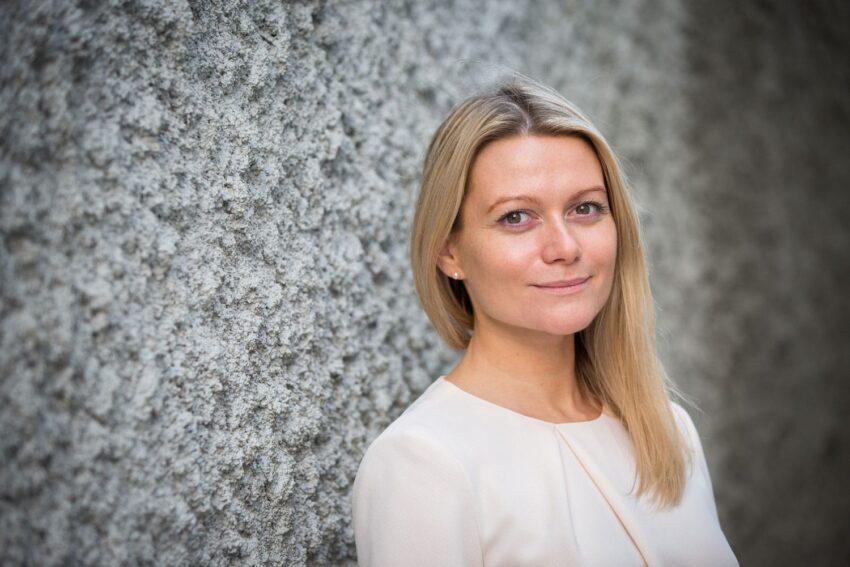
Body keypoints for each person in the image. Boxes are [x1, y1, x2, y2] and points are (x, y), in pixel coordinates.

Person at [351, 79, 739, 566]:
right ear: (449, 252)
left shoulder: (667, 431)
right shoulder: (423, 463)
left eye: (585, 208)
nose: (565, 248)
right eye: (517, 217)